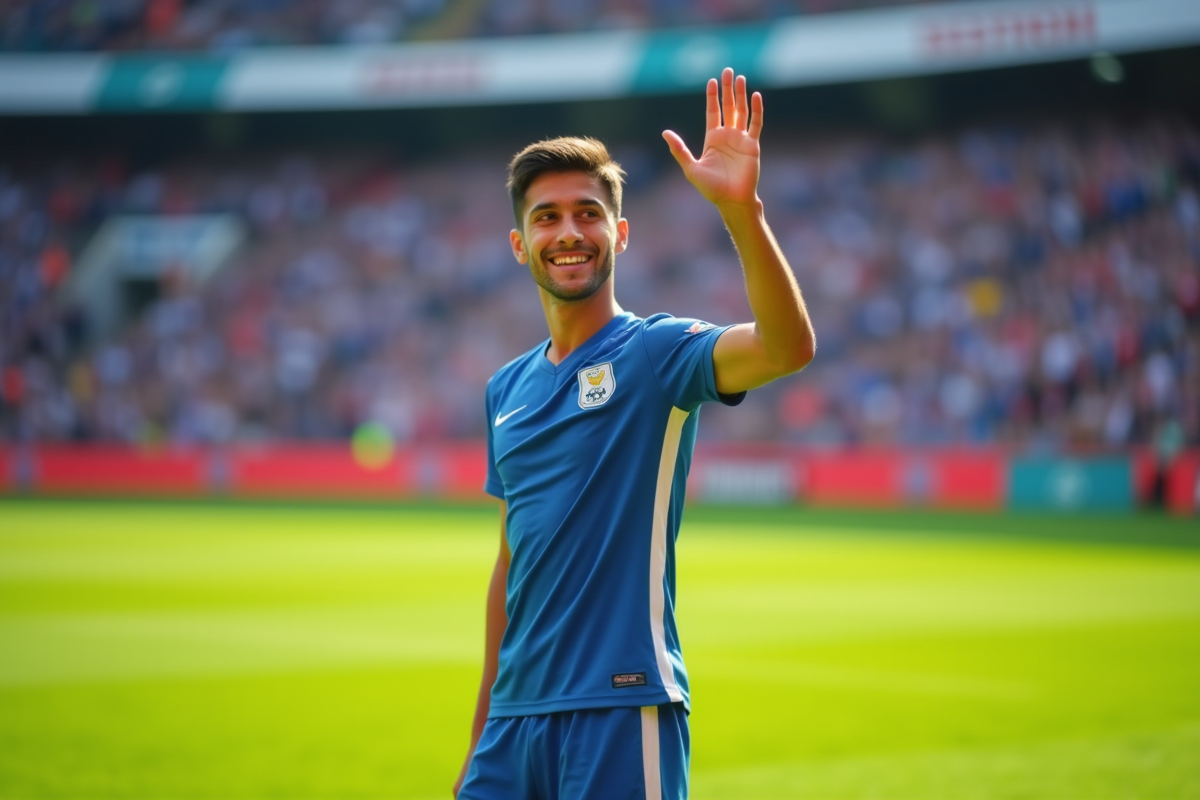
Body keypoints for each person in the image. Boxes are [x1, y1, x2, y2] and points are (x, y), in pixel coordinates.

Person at [454, 68, 816, 799]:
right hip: (511, 728)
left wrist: (741, 213)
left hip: (621, 708)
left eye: (587, 213)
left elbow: (785, 349)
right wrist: (481, 730)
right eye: (547, 217)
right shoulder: (505, 389)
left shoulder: (655, 353)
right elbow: (509, 566)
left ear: (618, 233)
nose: (568, 232)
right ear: (521, 244)